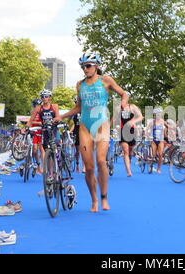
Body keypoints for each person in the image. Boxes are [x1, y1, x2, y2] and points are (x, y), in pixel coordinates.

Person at [57, 53, 128, 212]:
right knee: (89, 168)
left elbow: (123, 93)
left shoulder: (106, 80)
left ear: (96, 66)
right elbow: (78, 107)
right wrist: (61, 116)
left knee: (101, 161)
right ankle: (94, 200)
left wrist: (123, 102)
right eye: (83, 66)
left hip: (102, 124)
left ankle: (104, 197)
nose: (85, 69)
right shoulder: (79, 84)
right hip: (85, 126)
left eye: (88, 66)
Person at [26, 90, 60, 168]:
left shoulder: (54, 106)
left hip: (54, 130)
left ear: (49, 98)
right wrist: (25, 129)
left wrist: (54, 120)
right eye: (42, 97)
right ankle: (50, 174)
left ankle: (59, 165)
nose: (44, 98)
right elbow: (30, 120)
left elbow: (58, 117)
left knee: (56, 148)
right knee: (47, 152)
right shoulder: (38, 108)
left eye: (46, 96)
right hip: (45, 131)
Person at [113, 101, 143, 177]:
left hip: (132, 131)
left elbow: (140, 116)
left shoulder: (132, 107)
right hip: (122, 131)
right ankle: (129, 171)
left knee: (130, 151)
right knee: (125, 151)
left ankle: (129, 159)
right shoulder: (118, 108)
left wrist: (133, 121)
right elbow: (114, 118)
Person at [146, 107, 168, 174]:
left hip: (161, 140)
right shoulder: (152, 122)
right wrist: (146, 134)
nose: (159, 115)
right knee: (153, 155)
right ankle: (150, 166)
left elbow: (168, 126)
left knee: (161, 154)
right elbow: (147, 129)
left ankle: (158, 169)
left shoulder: (163, 121)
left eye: (160, 114)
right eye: (157, 114)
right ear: (155, 115)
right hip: (154, 140)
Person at [69, 96, 83, 173]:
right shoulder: (73, 112)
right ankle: (77, 165)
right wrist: (69, 131)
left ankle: (84, 167)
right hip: (76, 131)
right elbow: (74, 124)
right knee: (78, 151)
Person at [30, 98, 44, 174]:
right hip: (34, 132)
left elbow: (43, 122)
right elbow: (30, 121)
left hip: (41, 132)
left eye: (38, 105)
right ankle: (37, 165)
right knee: (35, 150)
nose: (36, 107)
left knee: (42, 150)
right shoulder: (32, 112)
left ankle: (42, 167)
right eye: (35, 105)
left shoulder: (42, 112)